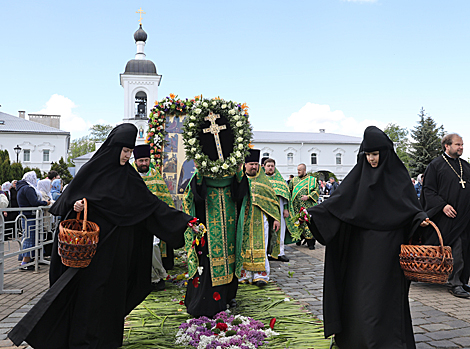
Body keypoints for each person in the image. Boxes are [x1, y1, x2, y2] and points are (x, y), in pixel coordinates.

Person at [8, 123, 196, 349]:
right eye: (124, 151)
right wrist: (75, 206)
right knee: (89, 295)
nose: (127, 156)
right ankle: (82, 342)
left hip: (118, 252)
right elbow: (64, 203)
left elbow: (150, 206)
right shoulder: (91, 170)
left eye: (130, 152)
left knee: (111, 297)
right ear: (114, 148)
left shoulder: (129, 176)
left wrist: (185, 221)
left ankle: (107, 342)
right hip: (92, 251)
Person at [303, 126, 428, 348]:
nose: (371, 159)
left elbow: (411, 209)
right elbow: (338, 205)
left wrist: (420, 219)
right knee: (362, 300)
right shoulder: (357, 178)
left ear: (386, 153)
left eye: (375, 154)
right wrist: (313, 215)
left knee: (385, 301)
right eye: (367, 154)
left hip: (390, 254)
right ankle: (359, 341)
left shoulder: (398, 178)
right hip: (360, 253)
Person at [183, 113, 247, 317]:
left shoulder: (232, 173)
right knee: (208, 259)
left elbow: (241, 194)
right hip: (209, 225)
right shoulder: (202, 173)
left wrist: (238, 173)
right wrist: (201, 176)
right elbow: (195, 197)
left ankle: (228, 296)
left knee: (229, 257)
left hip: (229, 221)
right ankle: (206, 303)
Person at [420, 133, 470, 298]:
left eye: (462, 145)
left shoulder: (466, 166)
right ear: (447, 146)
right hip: (447, 217)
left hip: (465, 216)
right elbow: (428, 190)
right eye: (457, 145)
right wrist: (442, 206)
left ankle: (462, 281)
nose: (461, 147)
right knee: (455, 248)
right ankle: (455, 283)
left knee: (465, 248)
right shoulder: (435, 165)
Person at [132, 144, 173, 291]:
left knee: (154, 246)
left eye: (146, 160)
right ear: (135, 161)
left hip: (152, 219)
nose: (144, 164)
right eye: (141, 161)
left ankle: (158, 276)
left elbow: (165, 198)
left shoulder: (155, 176)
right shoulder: (129, 174)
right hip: (134, 219)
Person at [239, 149, 281, 287]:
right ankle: (244, 274)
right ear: (245, 165)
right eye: (251, 164)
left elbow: (272, 201)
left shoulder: (264, 181)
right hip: (243, 219)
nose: (254, 167)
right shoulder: (239, 179)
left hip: (260, 219)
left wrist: (275, 218)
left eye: (256, 164)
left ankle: (260, 275)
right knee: (242, 245)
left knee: (261, 244)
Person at [264, 158, 298, 262]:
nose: (270, 168)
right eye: (268, 166)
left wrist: (286, 208)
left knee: (280, 230)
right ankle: (266, 253)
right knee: (266, 230)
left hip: (279, 208)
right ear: (264, 167)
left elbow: (286, 195)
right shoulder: (261, 180)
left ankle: (280, 252)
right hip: (265, 209)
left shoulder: (280, 180)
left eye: (272, 166)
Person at [16, 171, 50, 270]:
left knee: (28, 238)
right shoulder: (28, 188)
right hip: (30, 217)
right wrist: (45, 203)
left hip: (26, 216)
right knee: (29, 239)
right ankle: (25, 263)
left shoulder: (22, 187)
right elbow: (34, 202)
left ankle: (27, 261)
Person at [289, 163, 319, 250]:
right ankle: (298, 239)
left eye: (300, 170)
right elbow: (289, 191)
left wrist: (308, 196)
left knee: (307, 223)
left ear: (304, 170)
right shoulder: (293, 180)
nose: (298, 172)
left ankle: (311, 243)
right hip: (296, 207)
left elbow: (316, 191)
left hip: (307, 207)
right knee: (298, 223)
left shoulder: (312, 180)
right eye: (297, 170)